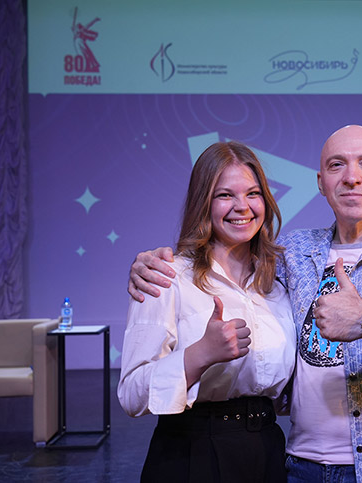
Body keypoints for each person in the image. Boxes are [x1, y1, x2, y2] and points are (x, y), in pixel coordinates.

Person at [128, 125, 362, 482]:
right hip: (299, 465)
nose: (351, 177)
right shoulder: (292, 254)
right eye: (337, 165)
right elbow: (227, 267)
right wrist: (147, 264)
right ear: (320, 182)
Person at [118, 141, 296, 482]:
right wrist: (199, 355)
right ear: (204, 202)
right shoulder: (165, 277)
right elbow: (132, 395)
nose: (242, 207)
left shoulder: (277, 284)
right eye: (224, 195)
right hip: (191, 453)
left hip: (267, 451)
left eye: (253, 193)